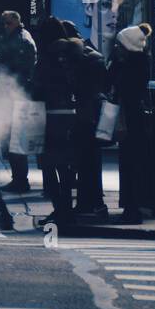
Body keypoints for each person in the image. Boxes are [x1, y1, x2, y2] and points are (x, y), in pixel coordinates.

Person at [58, 35, 110, 220]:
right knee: (90, 163)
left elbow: (83, 89)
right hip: (90, 116)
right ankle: (92, 203)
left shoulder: (84, 63)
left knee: (86, 162)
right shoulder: (92, 58)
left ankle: (89, 203)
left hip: (87, 117)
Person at [33, 17, 77, 225]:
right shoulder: (73, 52)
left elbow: (40, 86)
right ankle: (67, 207)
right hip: (70, 113)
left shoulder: (48, 56)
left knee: (49, 164)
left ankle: (59, 208)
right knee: (66, 165)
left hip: (51, 113)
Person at [108, 23, 152, 224]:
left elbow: (122, 89)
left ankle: (133, 209)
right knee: (129, 163)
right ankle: (131, 207)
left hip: (132, 120)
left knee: (132, 164)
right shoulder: (132, 62)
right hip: (131, 120)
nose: (116, 48)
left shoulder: (133, 66)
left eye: (119, 45)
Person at [0, 10, 37, 193]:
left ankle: (20, 180)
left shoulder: (21, 40)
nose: (5, 27)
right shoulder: (16, 38)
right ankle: (18, 178)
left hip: (17, 96)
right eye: (3, 23)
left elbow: (20, 70)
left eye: (7, 23)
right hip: (12, 94)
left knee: (16, 139)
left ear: (16, 22)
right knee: (12, 140)